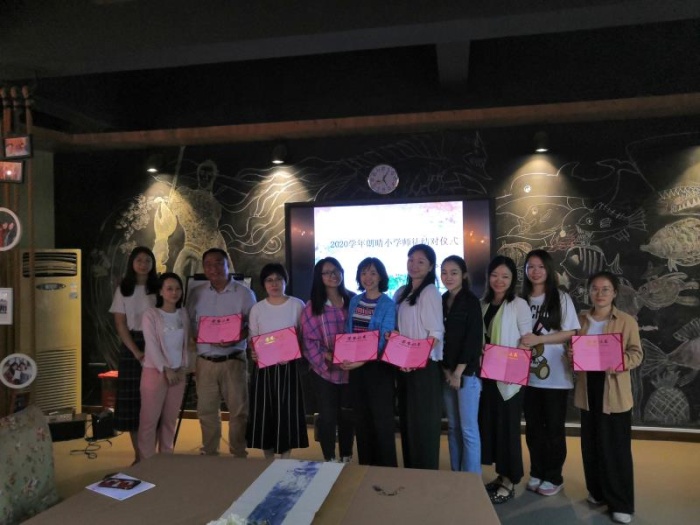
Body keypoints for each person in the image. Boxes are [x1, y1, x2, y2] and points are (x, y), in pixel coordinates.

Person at [570, 271, 642, 524]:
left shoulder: (626, 321)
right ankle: (597, 491)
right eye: (595, 289)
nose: (599, 294)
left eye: (605, 289)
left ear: (614, 293)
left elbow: (636, 353)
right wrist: (571, 355)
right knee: (591, 445)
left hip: (614, 391)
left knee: (616, 449)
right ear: (589, 292)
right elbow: (572, 349)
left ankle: (621, 502)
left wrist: (620, 362)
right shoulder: (580, 319)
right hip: (587, 388)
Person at [519, 249, 580, 497]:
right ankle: (536, 471)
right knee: (533, 428)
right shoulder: (520, 300)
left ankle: (554, 476)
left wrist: (539, 339)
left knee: (554, 429)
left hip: (556, 377)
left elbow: (571, 332)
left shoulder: (560, 298)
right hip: (527, 375)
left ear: (548, 269)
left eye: (540, 267)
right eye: (530, 267)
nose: (535, 271)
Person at [187, 248, 256, 457]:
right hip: (205, 361)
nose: (213, 268)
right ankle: (210, 451)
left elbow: (253, 325)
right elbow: (189, 323)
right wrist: (196, 338)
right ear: (204, 268)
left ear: (228, 265)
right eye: (208, 264)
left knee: (239, 410)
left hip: (233, 360)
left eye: (218, 263)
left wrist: (237, 337)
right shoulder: (196, 293)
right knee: (206, 411)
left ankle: (238, 450)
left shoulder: (244, 293)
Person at [479, 255, 532, 504]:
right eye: (494, 275)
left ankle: (510, 480)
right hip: (488, 375)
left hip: (509, 377)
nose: (499, 280)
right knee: (494, 427)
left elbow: (526, 340)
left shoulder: (518, 304)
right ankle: (502, 475)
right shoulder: (483, 303)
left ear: (512, 280)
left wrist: (511, 365)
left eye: (505, 276)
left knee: (508, 429)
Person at [246, 263, 309, 458]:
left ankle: (285, 458)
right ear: (264, 284)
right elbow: (253, 339)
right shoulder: (257, 309)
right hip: (264, 369)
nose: (274, 284)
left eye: (278, 279)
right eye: (269, 280)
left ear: (285, 281)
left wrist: (291, 353)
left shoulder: (297, 305)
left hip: (289, 368)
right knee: (265, 412)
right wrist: (254, 352)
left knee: (287, 412)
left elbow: (303, 337)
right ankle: (268, 459)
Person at [342, 257, 397, 467]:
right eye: (364, 273)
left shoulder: (388, 304)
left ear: (381, 277)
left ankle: (387, 470)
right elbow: (348, 332)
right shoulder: (355, 301)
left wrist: (360, 361)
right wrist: (345, 357)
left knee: (381, 421)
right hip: (356, 369)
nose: (368, 277)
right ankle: (366, 466)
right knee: (362, 420)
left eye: (373, 273)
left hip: (378, 369)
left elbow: (384, 339)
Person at [394, 244, 444, 470]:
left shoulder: (430, 292)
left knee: (423, 425)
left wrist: (415, 360)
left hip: (423, 367)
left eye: (421, 261)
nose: (414, 265)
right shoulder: (402, 292)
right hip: (405, 365)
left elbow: (435, 333)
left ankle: (425, 475)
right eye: (411, 259)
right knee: (408, 422)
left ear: (431, 266)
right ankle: (411, 471)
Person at [300, 257, 355, 462]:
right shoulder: (312, 307)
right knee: (327, 416)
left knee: (347, 415)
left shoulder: (353, 300)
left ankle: (347, 455)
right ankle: (329, 458)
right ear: (319, 277)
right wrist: (327, 356)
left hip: (351, 369)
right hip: (324, 372)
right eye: (327, 272)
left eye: (336, 270)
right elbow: (308, 341)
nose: (333, 275)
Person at [109, 246, 159, 464]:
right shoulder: (124, 289)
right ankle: (139, 457)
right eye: (139, 260)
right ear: (132, 263)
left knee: (154, 402)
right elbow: (120, 324)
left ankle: (152, 456)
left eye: (148, 260)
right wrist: (137, 352)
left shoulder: (158, 287)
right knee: (132, 404)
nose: (143, 264)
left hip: (157, 344)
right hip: (132, 346)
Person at [138, 272, 190, 460]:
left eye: (177, 289)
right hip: (155, 373)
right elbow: (151, 345)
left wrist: (183, 367)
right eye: (169, 289)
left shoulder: (183, 314)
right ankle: (147, 462)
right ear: (160, 291)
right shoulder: (151, 315)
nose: (174, 292)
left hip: (178, 374)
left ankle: (166, 458)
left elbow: (186, 344)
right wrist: (166, 369)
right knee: (149, 421)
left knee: (170, 421)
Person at [440, 255, 484, 474]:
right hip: (447, 373)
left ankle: (472, 479)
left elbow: (473, 340)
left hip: (466, 375)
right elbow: (440, 339)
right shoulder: (442, 300)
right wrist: (447, 371)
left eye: (454, 272)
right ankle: (456, 474)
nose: (448, 277)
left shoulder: (471, 301)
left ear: (464, 275)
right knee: (453, 427)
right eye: (444, 272)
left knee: (468, 429)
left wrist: (458, 373)